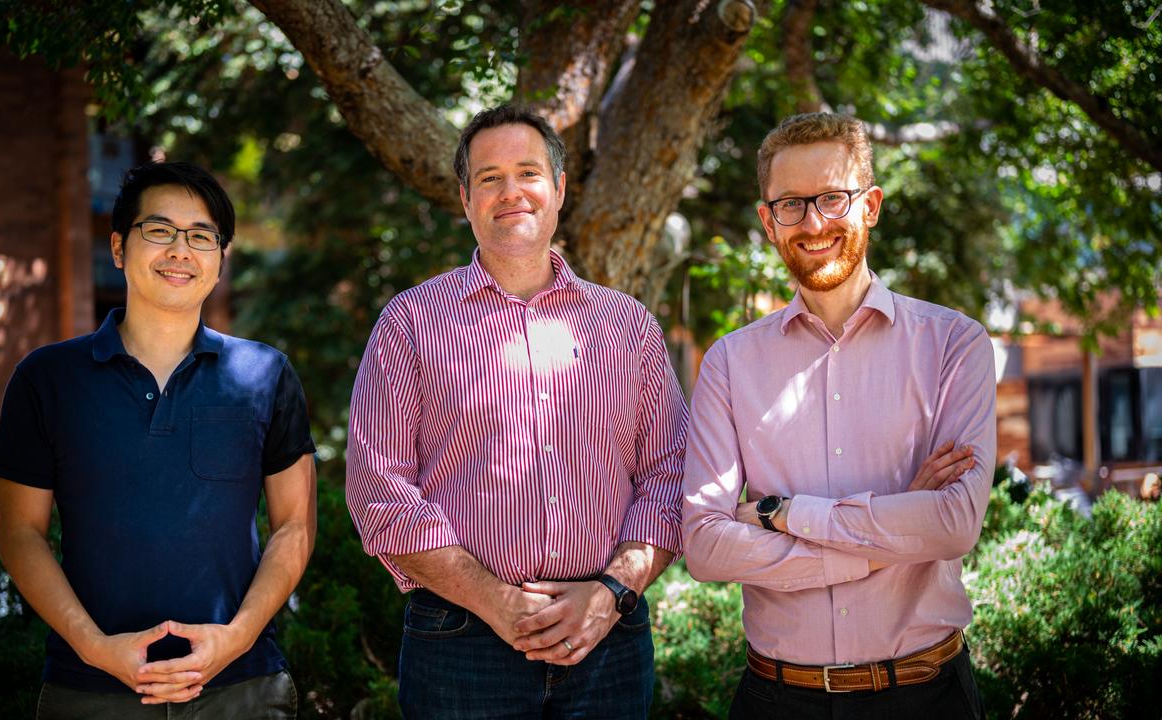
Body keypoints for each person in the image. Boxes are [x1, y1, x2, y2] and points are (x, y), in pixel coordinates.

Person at [345, 105, 688, 719]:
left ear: (558, 189)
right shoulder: (409, 323)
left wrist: (612, 592)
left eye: (528, 173)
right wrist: (496, 600)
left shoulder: (627, 327)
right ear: (465, 198)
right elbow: (378, 490)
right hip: (460, 643)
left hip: (606, 640)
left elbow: (670, 474)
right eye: (489, 177)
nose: (511, 193)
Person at [682, 112, 995, 719]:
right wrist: (894, 530)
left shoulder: (954, 344)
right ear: (767, 221)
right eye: (791, 204)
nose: (813, 222)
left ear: (871, 205)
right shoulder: (729, 362)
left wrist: (785, 514)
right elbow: (705, 545)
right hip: (777, 699)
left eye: (833, 197)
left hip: (927, 697)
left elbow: (955, 523)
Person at [0, 162, 316, 719]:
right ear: (118, 247)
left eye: (201, 237)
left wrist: (234, 639)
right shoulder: (47, 379)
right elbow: (21, 534)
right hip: (88, 692)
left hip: (240, 689)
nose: (180, 251)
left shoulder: (265, 373)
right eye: (160, 230)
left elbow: (295, 524)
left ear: (220, 258)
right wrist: (95, 647)